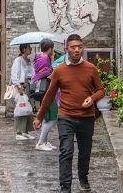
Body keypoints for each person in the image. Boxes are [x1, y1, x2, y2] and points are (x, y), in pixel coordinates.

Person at [34, 34, 105, 193]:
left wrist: (92, 98)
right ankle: (65, 187)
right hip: (66, 116)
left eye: (79, 46)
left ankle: (83, 177)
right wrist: (40, 116)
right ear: (67, 49)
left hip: (86, 117)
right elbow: (50, 94)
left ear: (83, 48)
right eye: (73, 47)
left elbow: (101, 90)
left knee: (85, 151)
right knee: (66, 150)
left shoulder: (90, 68)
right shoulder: (59, 70)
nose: (77, 50)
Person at [32, 38, 58, 152]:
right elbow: (48, 73)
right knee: (52, 117)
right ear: (50, 48)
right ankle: (41, 142)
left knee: (47, 117)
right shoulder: (44, 58)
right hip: (47, 90)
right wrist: (52, 63)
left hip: (44, 90)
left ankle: (45, 141)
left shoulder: (38, 56)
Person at [11, 44, 35, 140]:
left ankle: (26, 131)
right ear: (24, 49)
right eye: (29, 48)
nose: (31, 49)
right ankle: (19, 132)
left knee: (27, 108)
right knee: (21, 107)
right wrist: (19, 86)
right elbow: (14, 74)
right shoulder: (18, 60)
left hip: (27, 84)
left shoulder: (28, 60)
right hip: (21, 85)